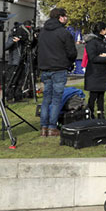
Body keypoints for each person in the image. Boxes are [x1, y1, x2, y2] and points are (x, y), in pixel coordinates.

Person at [37, 8, 77, 137]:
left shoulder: (42, 32)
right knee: (56, 99)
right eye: (65, 16)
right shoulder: (63, 33)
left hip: (45, 68)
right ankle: (52, 127)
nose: (66, 19)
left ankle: (44, 127)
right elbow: (72, 52)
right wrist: (69, 62)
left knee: (46, 99)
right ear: (60, 17)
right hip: (59, 68)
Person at [84, 22, 106, 119]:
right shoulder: (91, 42)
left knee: (101, 95)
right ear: (102, 30)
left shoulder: (105, 41)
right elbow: (93, 58)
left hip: (103, 72)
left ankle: (101, 114)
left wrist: (105, 55)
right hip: (94, 73)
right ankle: (89, 114)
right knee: (93, 95)